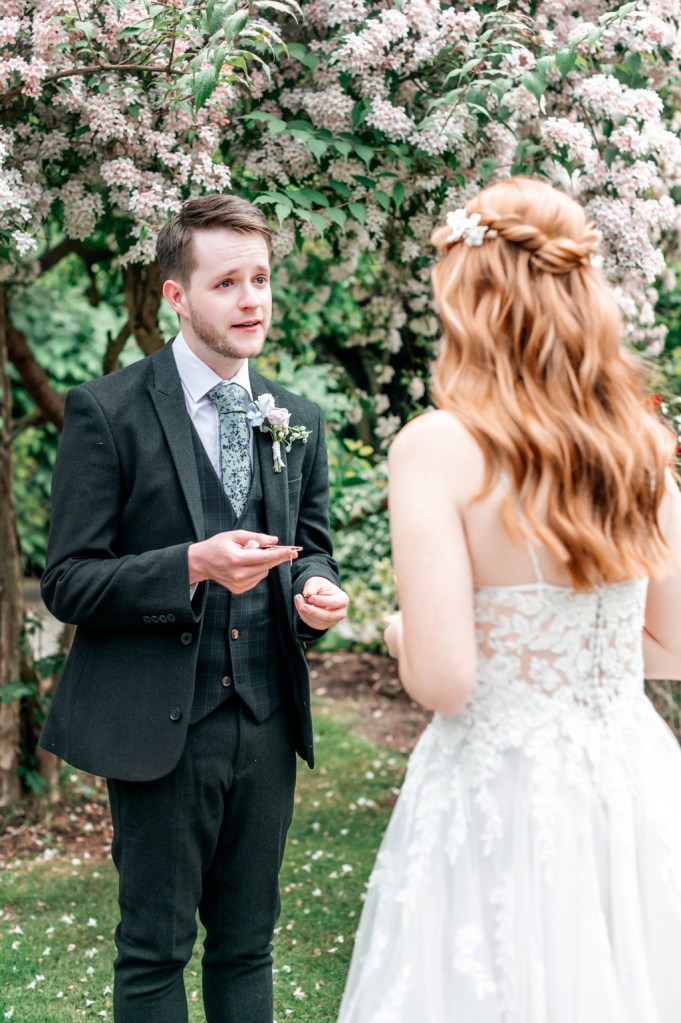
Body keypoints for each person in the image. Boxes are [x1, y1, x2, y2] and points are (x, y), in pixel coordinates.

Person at [337, 176, 681, 1023]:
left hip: (502, 788)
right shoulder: (639, 443)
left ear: (472, 305)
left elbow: (446, 677)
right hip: (630, 780)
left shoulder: (438, 448)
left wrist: (396, 631)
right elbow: (673, 649)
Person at [39, 193, 349, 1023]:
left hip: (267, 717)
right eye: (226, 284)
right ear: (176, 296)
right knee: (154, 949)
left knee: (248, 945)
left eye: (261, 279)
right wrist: (190, 565)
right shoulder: (105, 412)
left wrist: (315, 591)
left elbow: (309, 545)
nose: (252, 300)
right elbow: (67, 580)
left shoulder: (299, 420)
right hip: (159, 725)